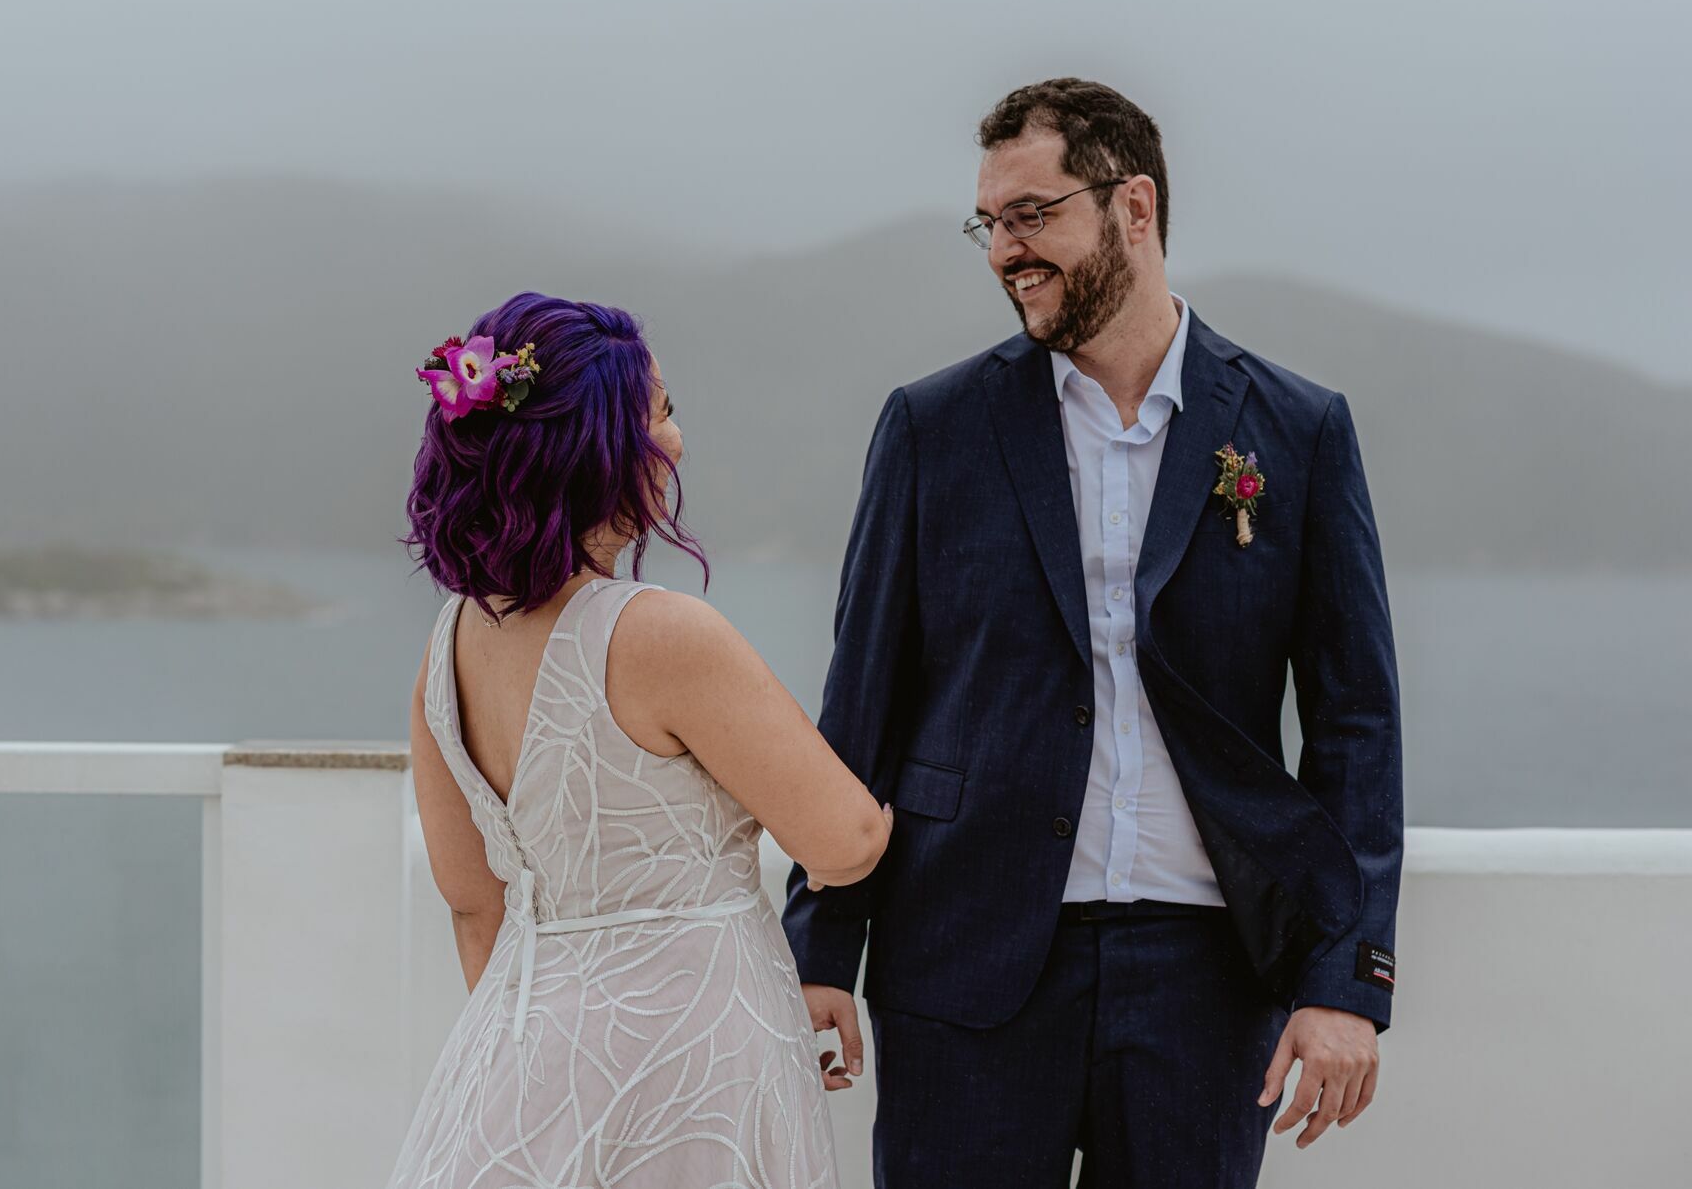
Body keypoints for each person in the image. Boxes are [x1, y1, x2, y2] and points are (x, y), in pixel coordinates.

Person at [783, 78, 1403, 1187]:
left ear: (1134, 207)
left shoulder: (1299, 431)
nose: (1003, 251)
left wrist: (1344, 982)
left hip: (1206, 980)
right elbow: (863, 700)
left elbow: (1356, 725)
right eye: (988, 223)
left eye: (1031, 214)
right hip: (963, 964)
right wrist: (823, 942)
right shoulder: (932, 427)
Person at [387, 292, 889, 1189]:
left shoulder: (446, 649)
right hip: (692, 1063)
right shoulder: (657, 634)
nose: (676, 441)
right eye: (658, 414)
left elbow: (473, 906)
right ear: (597, 449)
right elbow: (844, 842)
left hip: (522, 1062)